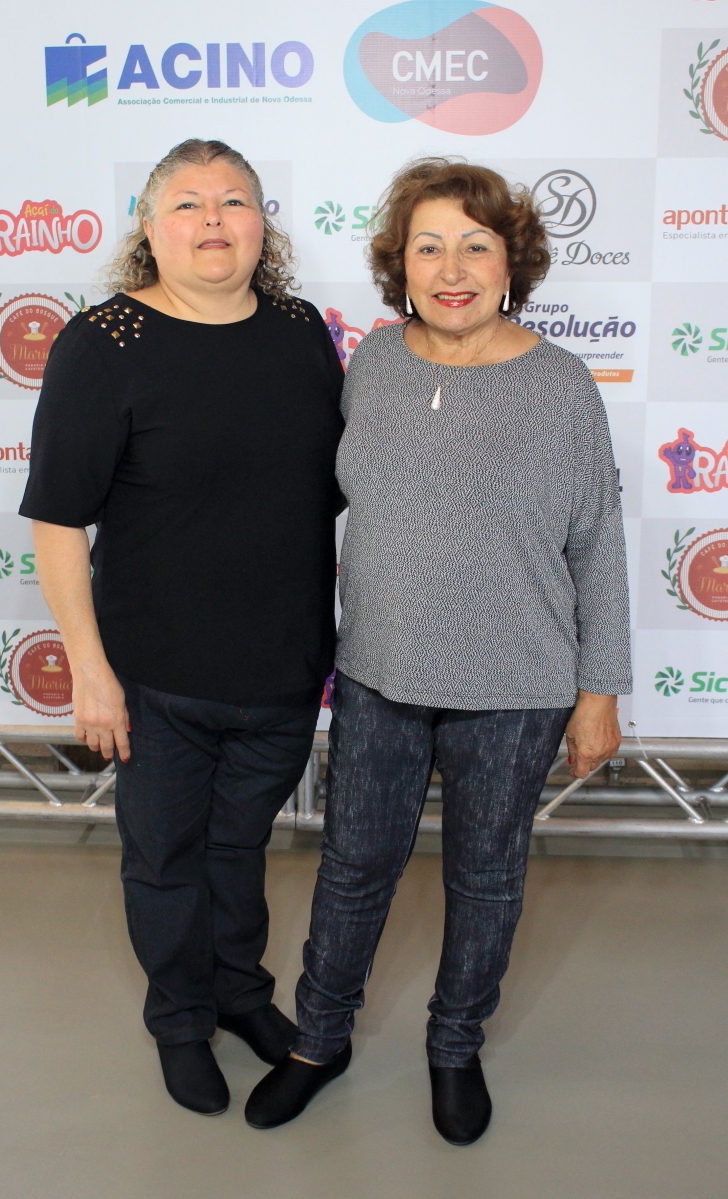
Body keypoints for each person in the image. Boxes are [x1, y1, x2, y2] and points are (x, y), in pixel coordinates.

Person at [246, 158, 632, 1143]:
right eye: (428, 247)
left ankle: (454, 1045)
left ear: (511, 261)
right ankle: (317, 1040)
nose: (450, 269)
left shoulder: (560, 384)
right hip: (378, 671)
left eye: (474, 245)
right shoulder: (374, 364)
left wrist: (599, 690)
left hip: (516, 684)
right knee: (352, 865)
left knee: (485, 875)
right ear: (400, 264)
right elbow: (322, 493)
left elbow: (597, 540)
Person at [19, 139, 344, 1116]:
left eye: (234, 201)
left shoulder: (299, 331)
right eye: (189, 202)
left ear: (261, 227)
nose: (213, 219)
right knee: (165, 857)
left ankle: (238, 992)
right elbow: (57, 520)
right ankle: (178, 1016)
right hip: (154, 674)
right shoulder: (103, 342)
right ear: (150, 228)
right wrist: (89, 669)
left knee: (237, 851)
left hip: (281, 668)